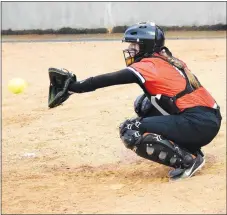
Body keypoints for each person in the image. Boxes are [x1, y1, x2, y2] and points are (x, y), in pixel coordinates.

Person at [48, 22, 222, 180]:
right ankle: (191, 151)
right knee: (144, 105)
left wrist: (74, 87)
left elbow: (107, 79)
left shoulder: (148, 66)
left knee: (130, 130)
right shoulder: (167, 59)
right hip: (207, 119)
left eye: (135, 44)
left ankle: (187, 162)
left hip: (197, 123)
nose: (131, 49)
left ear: (146, 45)